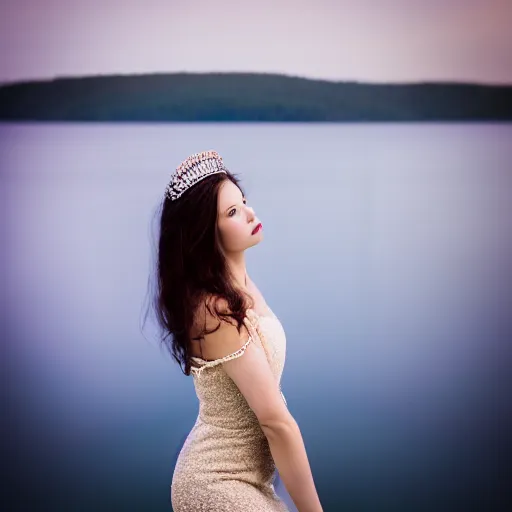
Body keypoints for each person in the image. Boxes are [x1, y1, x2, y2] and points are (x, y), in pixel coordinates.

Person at [152, 150, 323, 511]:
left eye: (243, 202)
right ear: (205, 233)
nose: (250, 213)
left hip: (252, 482)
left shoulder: (239, 286)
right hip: (215, 484)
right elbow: (276, 423)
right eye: (232, 212)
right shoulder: (217, 310)